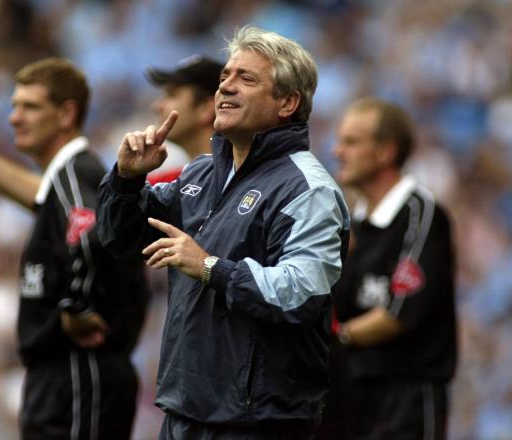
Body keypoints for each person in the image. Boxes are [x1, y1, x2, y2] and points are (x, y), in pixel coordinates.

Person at [96, 26, 350, 439]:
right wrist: (126, 179)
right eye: (224, 78)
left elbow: (302, 292)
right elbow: (117, 237)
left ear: (288, 102)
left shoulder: (308, 189)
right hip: (185, 410)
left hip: (257, 422)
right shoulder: (202, 172)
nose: (226, 88)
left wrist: (212, 267)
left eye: (246, 79)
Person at [0, 58, 149, 440]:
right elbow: (49, 201)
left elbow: (92, 235)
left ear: (66, 113)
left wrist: (77, 307)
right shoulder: (66, 181)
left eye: (29, 106)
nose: (14, 118)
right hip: (62, 380)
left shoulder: (77, 177)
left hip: (77, 374)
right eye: (13, 106)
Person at [324, 97, 458, 439]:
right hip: (353, 392)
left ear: (385, 152)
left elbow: (400, 312)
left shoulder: (421, 214)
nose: (338, 152)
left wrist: (335, 339)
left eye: (351, 142)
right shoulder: (354, 223)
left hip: (406, 396)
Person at [145, 54, 223, 185]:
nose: (157, 106)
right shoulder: (166, 185)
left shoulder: (241, 180)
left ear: (206, 109)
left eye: (171, 95)